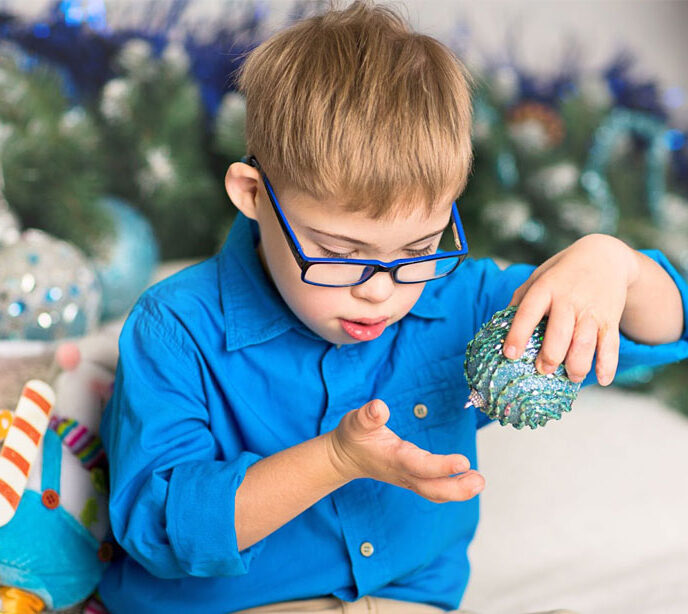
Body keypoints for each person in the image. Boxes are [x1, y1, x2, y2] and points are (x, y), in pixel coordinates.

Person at [97, 2, 688, 613]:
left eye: (418, 248)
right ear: (253, 194)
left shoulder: (459, 296)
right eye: (339, 252)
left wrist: (614, 265)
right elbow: (162, 532)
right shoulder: (174, 328)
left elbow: (666, 325)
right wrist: (335, 459)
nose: (381, 289)